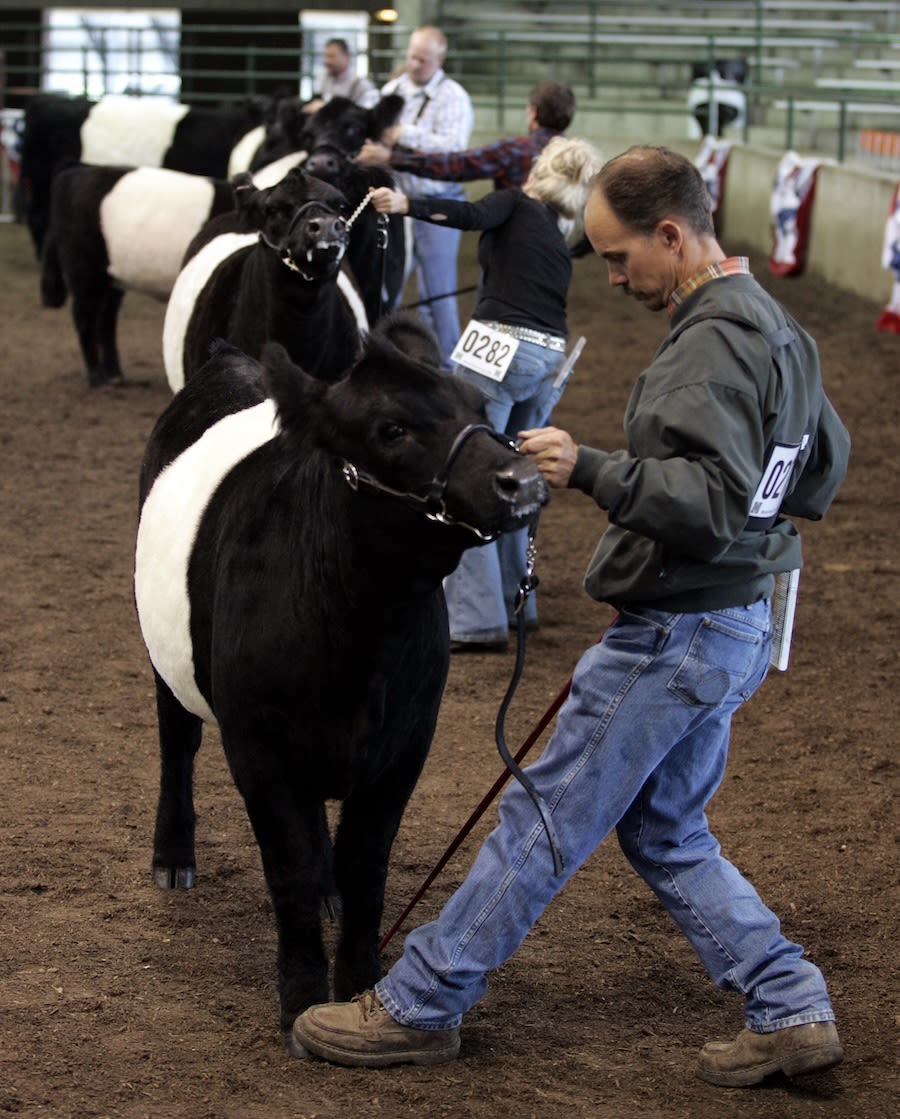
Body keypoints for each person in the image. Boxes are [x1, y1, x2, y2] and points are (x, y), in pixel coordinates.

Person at [293, 146, 851, 1088]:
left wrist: (584, 466)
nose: (612, 276)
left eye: (621, 256)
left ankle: (422, 1002)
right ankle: (789, 1001)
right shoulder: (774, 325)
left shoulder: (710, 340)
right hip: (741, 619)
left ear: (672, 234)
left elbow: (708, 504)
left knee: (546, 814)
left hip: (676, 629)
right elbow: (823, 467)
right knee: (666, 827)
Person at [368, 135, 604, 651]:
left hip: (496, 345)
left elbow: (471, 214)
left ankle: (475, 617)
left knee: (469, 473)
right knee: (516, 473)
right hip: (547, 356)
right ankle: (518, 600)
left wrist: (407, 204)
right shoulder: (556, 233)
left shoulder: (516, 203)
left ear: (539, 173)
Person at [377, 25, 474, 369]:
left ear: (439, 59)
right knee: (388, 290)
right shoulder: (392, 91)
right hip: (396, 209)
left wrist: (405, 133)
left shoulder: (454, 97)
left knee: (439, 294)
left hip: (436, 207)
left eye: (423, 59)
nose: (415, 64)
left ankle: (447, 368)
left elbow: (453, 150)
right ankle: (386, 360)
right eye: (412, 56)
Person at [356, 80, 576, 192]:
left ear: (533, 112)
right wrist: (575, 252)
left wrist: (391, 158)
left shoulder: (516, 149)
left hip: (513, 251)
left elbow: (456, 165)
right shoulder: (576, 158)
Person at [305, 38, 379, 113]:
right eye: (326, 56)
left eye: (332, 56)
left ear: (346, 57)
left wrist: (324, 108)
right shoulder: (324, 79)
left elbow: (366, 116)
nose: (327, 61)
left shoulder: (361, 86)